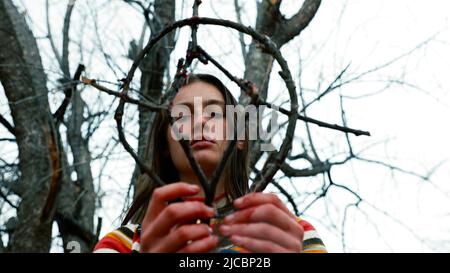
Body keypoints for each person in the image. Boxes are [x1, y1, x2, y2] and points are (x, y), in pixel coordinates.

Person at [93, 74, 327, 253]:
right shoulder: (121, 244)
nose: (200, 121)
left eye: (215, 113)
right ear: (164, 147)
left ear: (240, 139)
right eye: (183, 115)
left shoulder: (290, 232)